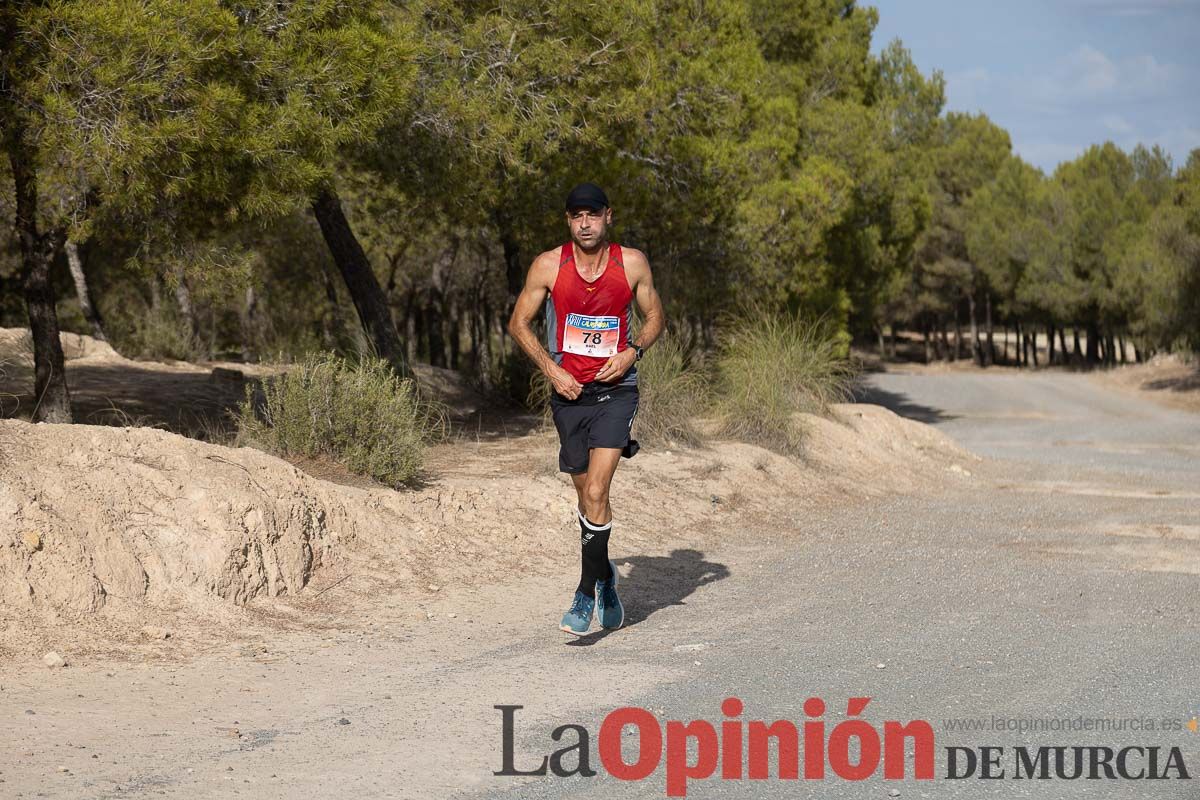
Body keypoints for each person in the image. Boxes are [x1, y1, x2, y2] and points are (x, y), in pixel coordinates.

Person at [507, 182, 665, 635]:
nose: (585, 223)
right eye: (576, 215)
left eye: (592, 215)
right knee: (586, 496)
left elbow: (655, 316)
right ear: (568, 221)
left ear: (607, 216)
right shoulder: (548, 266)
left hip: (617, 390)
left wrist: (633, 351)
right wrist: (551, 371)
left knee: (596, 491)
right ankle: (606, 578)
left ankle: (582, 591)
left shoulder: (631, 263)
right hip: (569, 393)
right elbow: (519, 323)